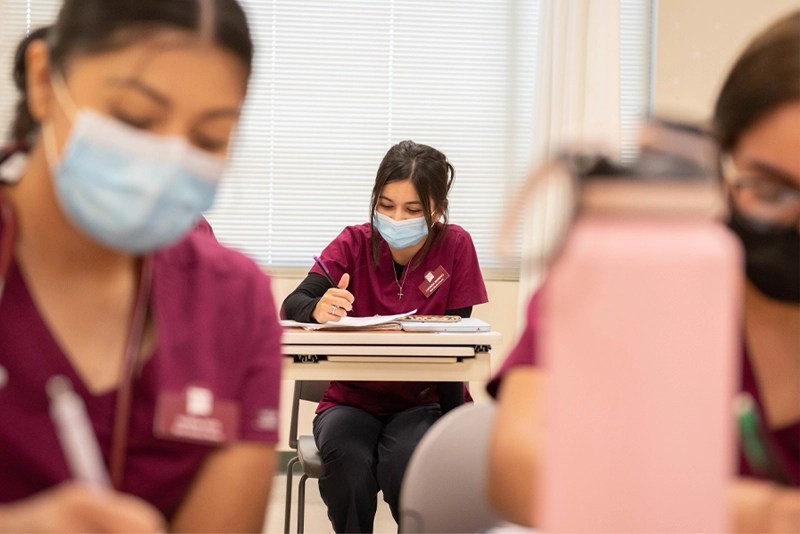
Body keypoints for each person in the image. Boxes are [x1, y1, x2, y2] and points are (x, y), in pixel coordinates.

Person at [486, 10, 800, 533]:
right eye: (767, 190)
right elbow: (515, 466)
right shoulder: (626, 274)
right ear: (718, 164)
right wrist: (755, 516)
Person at [0, 1, 283, 532]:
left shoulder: (232, 300)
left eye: (208, 139)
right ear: (43, 80)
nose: (166, 163)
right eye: (133, 118)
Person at [281, 139, 488, 533]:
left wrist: (451, 430)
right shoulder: (354, 242)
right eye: (386, 205)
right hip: (350, 401)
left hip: (424, 402)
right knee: (349, 468)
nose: (396, 218)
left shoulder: (455, 245)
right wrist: (317, 308)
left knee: (406, 465)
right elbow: (294, 302)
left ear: (437, 210)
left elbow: (456, 346)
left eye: (412, 210)